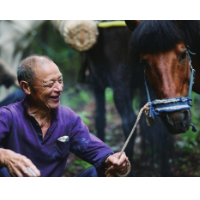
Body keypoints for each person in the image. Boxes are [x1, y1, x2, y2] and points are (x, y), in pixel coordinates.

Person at [0, 55, 130, 177]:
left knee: (97, 173)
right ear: (27, 87)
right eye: (50, 84)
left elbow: (92, 147)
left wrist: (113, 161)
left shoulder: (67, 118)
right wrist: (5, 156)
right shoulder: (8, 116)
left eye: (60, 81)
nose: (59, 88)